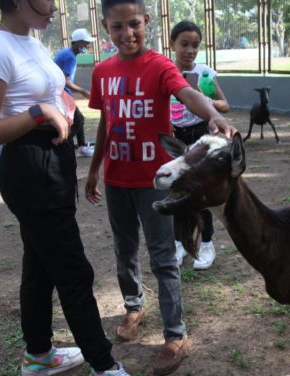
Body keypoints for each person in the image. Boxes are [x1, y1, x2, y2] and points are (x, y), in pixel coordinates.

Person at [0, 0, 129, 374]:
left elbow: (47, 92)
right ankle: (104, 364)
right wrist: (39, 113)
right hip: (29, 170)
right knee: (73, 270)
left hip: (52, 165)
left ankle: (38, 355)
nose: (54, 6)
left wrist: (62, 105)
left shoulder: (32, 41)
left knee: (40, 265)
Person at [84, 1, 236, 374]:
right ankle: (134, 306)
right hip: (116, 178)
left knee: (163, 257)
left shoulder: (161, 66)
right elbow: (107, 121)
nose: (127, 34)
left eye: (134, 24)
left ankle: (175, 334)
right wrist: (93, 170)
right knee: (124, 251)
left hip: (153, 182)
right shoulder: (102, 70)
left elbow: (188, 94)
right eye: (117, 27)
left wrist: (214, 115)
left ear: (147, 22)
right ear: (106, 27)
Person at [169, 20, 230, 270]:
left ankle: (206, 245)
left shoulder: (205, 72)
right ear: (172, 44)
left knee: (202, 191)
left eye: (195, 45)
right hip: (173, 137)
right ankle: (179, 243)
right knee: (176, 190)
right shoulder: (165, 72)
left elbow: (225, 105)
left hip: (200, 135)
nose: (190, 50)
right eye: (184, 44)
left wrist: (208, 102)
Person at [54, 28, 95, 157]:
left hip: (58, 92)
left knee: (79, 119)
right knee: (78, 121)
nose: (88, 46)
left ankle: (81, 146)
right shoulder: (70, 57)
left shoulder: (66, 53)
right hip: (61, 93)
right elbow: (65, 80)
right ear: (77, 43)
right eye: (85, 43)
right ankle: (61, 145)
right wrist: (83, 91)